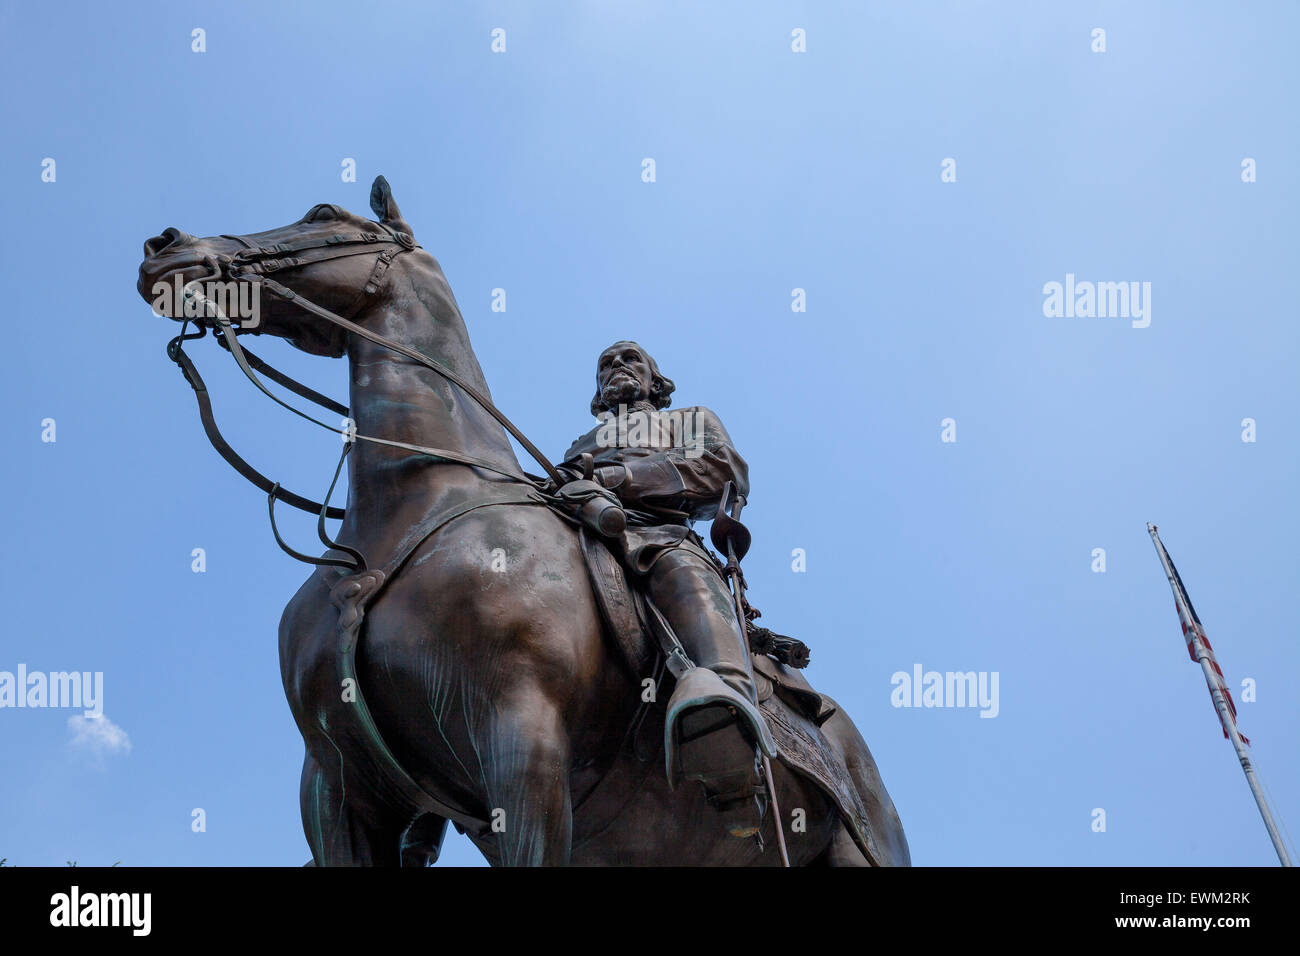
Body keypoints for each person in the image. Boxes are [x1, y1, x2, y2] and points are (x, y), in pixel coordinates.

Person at [554, 341, 778, 834]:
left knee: (681, 570)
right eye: (605, 364)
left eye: (629, 359)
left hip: (658, 533)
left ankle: (730, 727)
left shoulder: (689, 419)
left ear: (656, 381)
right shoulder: (580, 444)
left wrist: (621, 476)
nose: (616, 366)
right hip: (581, 533)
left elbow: (722, 473)